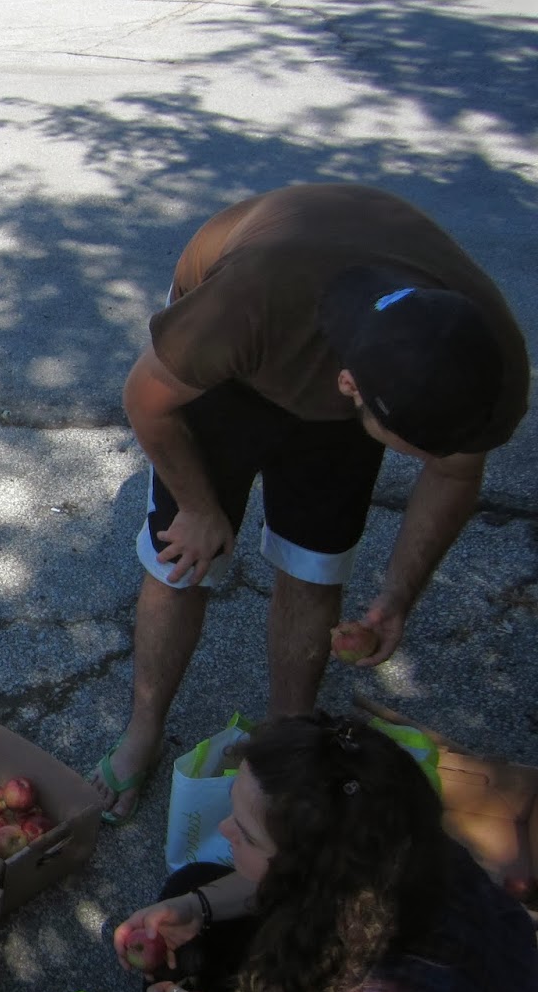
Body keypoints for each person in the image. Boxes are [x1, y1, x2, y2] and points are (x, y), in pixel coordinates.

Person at [94, 183, 530, 823]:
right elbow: (146, 399)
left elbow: (456, 474)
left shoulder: (482, 367)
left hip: (349, 352)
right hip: (237, 355)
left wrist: (395, 599)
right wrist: (199, 506)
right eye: (412, 448)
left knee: (316, 564)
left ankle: (288, 740)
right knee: (179, 558)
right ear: (349, 388)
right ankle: (142, 732)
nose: (428, 460)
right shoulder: (244, 305)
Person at [114, 714, 538, 992]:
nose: (225, 829)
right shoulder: (399, 845)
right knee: (192, 887)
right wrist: (198, 905)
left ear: (308, 875)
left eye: (246, 832)